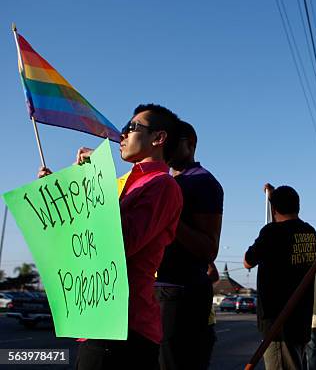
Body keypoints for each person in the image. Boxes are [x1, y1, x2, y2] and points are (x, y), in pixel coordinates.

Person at [39, 104, 183, 369]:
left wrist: (98, 182)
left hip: (127, 327)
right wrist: (58, 198)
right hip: (97, 321)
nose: (122, 135)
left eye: (131, 128)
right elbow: (85, 240)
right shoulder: (125, 184)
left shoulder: (163, 185)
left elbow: (119, 243)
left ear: (158, 138)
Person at [155, 120, 223, 370]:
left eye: (175, 140)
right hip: (155, 290)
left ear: (191, 144)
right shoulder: (162, 181)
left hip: (178, 292)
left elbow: (209, 248)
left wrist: (170, 218)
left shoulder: (202, 182)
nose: (167, 145)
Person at [244, 184, 316, 370]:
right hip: (301, 316)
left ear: (274, 209)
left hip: (278, 322)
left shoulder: (270, 232)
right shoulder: (310, 233)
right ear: (298, 206)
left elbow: (248, 261)